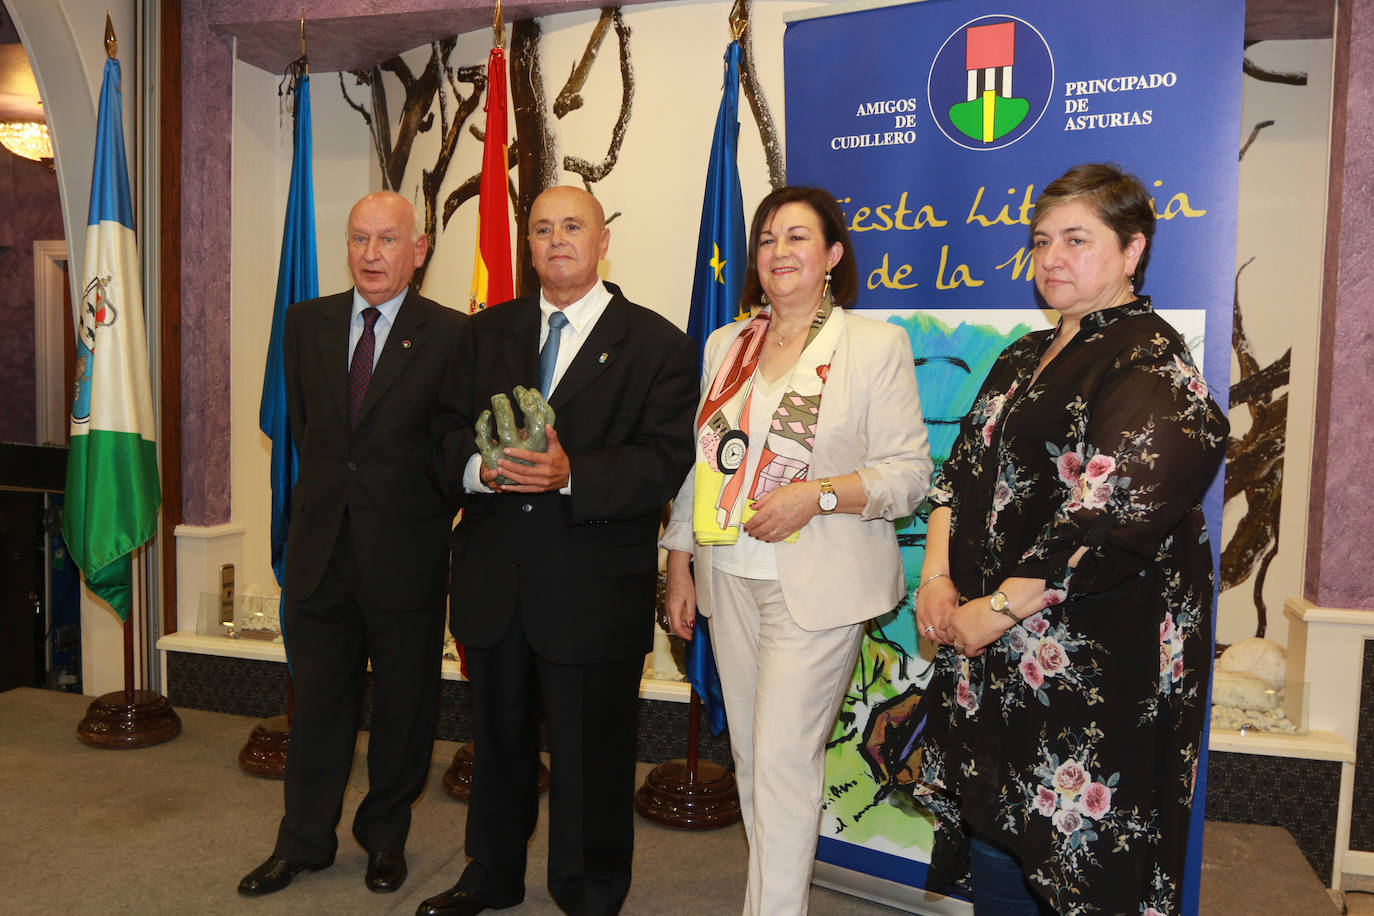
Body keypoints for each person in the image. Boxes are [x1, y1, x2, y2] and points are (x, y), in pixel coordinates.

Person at [912, 163, 1228, 915]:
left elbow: (1108, 512)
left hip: (1091, 657)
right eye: (1041, 240)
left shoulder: (1152, 359)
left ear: (1131, 251)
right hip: (994, 648)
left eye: (1077, 240)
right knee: (997, 827)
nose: (1051, 258)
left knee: (1079, 862)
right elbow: (958, 474)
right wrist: (935, 577)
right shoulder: (1024, 353)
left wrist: (998, 609)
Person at [417, 186, 698, 916]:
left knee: (589, 755)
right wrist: (480, 471)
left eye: (573, 226)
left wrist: (575, 473)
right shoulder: (485, 335)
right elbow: (444, 435)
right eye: (541, 229)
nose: (556, 240)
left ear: (605, 240)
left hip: (591, 585)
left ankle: (589, 887)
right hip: (494, 581)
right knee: (497, 743)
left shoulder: (659, 343)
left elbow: (665, 459)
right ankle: (491, 875)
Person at [661, 185, 933, 915]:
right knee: (755, 760)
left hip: (819, 587)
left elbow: (909, 476)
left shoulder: (874, 345)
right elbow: (704, 461)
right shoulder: (728, 343)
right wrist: (680, 559)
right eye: (768, 239)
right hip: (730, 578)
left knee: (781, 761)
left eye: (798, 238)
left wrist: (814, 495)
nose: (779, 252)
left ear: (833, 256)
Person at [238, 191, 468, 898]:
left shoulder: (453, 335)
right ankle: (303, 841)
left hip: (406, 556)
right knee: (319, 708)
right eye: (359, 239)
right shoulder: (305, 323)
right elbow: (308, 431)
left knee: (403, 711)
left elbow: (453, 446)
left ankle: (383, 840)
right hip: (320, 553)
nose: (371, 254)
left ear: (418, 249)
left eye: (387, 240)